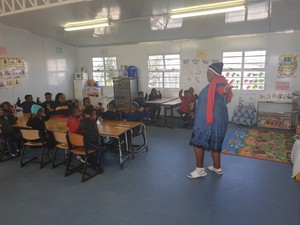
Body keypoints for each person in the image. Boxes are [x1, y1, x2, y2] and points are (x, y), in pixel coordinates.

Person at [187, 62, 233, 179]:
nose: (207, 75)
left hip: (210, 121)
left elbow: (222, 90)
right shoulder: (215, 83)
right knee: (215, 145)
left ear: (215, 75)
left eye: (209, 73)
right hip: (217, 120)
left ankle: (200, 170)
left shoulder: (218, 84)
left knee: (198, 143)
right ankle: (217, 167)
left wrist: (225, 90)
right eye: (207, 73)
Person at [79, 107, 104, 173]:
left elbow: (97, 116)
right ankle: (95, 165)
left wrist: (99, 111)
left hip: (93, 141)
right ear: (88, 116)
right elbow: (82, 126)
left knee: (100, 146)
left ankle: (91, 160)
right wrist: (85, 118)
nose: (95, 116)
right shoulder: (85, 123)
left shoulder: (92, 120)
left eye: (95, 114)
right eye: (94, 115)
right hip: (88, 142)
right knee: (99, 149)